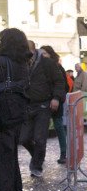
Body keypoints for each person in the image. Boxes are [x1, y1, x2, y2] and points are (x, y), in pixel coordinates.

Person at [0, 28, 30, 191]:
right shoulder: (24, 62)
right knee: (11, 160)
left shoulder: (1, 61)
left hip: (1, 117)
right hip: (17, 116)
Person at [19, 40, 66, 177]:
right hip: (27, 105)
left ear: (34, 50)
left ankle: (36, 165)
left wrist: (56, 98)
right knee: (23, 138)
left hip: (43, 105)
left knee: (40, 138)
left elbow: (59, 81)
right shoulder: (21, 63)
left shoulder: (47, 63)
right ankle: (37, 156)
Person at [41, 46, 69, 165]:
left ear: (51, 54)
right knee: (41, 130)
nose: (43, 55)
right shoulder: (39, 66)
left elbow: (64, 85)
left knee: (58, 126)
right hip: (43, 102)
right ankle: (38, 157)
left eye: (45, 53)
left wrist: (56, 97)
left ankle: (64, 153)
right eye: (41, 53)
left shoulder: (57, 67)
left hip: (56, 101)